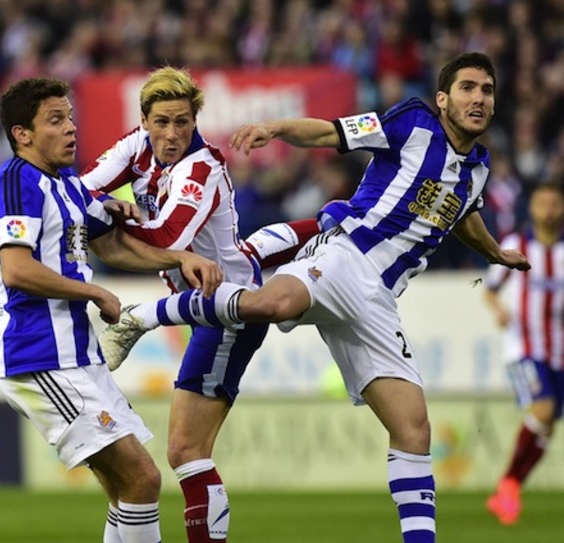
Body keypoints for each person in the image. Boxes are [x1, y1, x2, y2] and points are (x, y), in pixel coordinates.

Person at [99, 52, 532, 543]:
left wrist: (496, 253)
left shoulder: (478, 169)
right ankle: (144, 316)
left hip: (380, 300)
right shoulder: (412, 123)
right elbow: (333, 132)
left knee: (413, 430)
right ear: (442, 99)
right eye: (467, 87)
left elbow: (464, 214)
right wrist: (275, 128)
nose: (477, 98)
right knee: (270, 304)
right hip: (346, 255)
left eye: (486, 90)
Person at [0, 77, 223, 543]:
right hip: (40, 356)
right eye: (55, 120)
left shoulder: (67, 184)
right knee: (141, 478)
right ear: (21, 134)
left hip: (80, 358)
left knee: (129, 489)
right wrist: (93, 293)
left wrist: (181, 257)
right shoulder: (15, 183)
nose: (71, 129)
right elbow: (16, 270)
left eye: (70, 117)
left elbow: (113, 245)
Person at [81, 65, 277, 543]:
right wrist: (104, 203)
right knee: (185, 450)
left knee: (186, 449)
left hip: (229, 309)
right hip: (195, 307)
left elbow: (170, 238)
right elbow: (82, 189)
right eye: (162, 122)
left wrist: (109, 215)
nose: (172, 134)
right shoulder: (137, 144)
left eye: (183, 122)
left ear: (195, 122)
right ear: (144, 120)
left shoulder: (201, 168)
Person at [483, 182, 564, 525]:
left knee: (546, 428)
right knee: (542, 411)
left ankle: (510, 485)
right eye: (541, 202)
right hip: (523, 348)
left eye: (554, 203)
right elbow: (489, 290)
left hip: (559, 351)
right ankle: (509, 484)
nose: (548, 209)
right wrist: (499, 309)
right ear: (530, 208)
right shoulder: (516, 245)